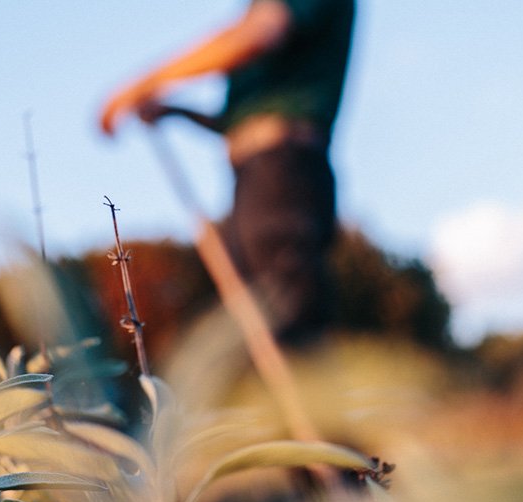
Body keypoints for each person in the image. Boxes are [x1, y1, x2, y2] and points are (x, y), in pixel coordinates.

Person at [99, 0, 355, 343]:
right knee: (258, 325)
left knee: (286, 321)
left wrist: (144, 83)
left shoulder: (274, 14)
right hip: (264, 174)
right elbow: (241, 118)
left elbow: (257, 35)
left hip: (282, 171)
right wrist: (175, 111)